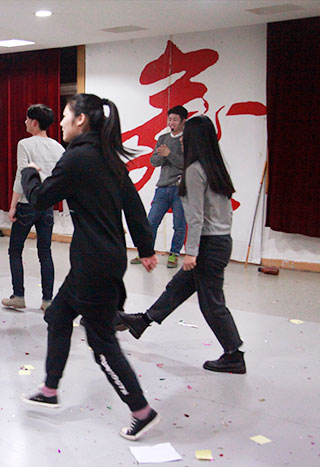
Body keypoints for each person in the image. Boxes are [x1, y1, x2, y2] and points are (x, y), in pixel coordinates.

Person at [20, 94, 160, 441]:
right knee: (57, 316)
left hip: (94, 263)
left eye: (66, 115)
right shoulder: (108, 156)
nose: (61, 122)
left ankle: (141, 410)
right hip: (98, 258)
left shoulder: (77, 158)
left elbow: (40, 199)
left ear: (81, 119)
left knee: (101, 341)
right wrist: (145, 248)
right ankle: (50, 390)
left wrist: (29, 173)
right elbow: (134, 207)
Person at [119, 116, 246, 374]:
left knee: (211, 303)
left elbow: (196, 217)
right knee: (178, 287)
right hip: (221, 240)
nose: (183, 140)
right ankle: (143, 321)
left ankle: (234, 354)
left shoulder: (195, 170)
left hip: (208, 244)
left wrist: (192, 252)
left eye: (186, 135)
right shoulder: (216, 166)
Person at [2, 104, 64, 312]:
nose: (25, 122)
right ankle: (48, 300)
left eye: (27, 119)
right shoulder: (58, 147)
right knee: (45, 252)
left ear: (34, 122)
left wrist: (12, 206)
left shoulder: (25, 144)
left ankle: (18, 296)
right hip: (47, 206)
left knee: (15, 250)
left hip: (27, 205)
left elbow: (22, 176)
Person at [131, 106, 187, 268]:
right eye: (169, 119)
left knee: (179, 224)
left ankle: (174, 254)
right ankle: (146, 252)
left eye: (175, 120)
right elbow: (154, 161)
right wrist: (164, 155)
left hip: (180, 188)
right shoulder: (163, 138)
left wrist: (169, 154)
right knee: (151, 222)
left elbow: (186, 163)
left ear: (183, 121)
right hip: (162, 187)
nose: (171, 123)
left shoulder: (187, 139)